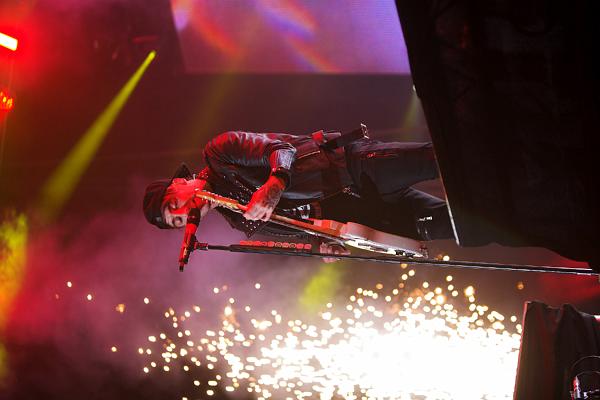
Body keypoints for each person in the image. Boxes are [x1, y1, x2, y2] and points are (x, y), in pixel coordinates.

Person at [143, 126, 454, 259]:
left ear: (179, 182)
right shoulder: (239, 220)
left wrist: (274, 185)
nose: (183, 213)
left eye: (175, 204)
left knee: (444, 161)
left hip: (354, 169)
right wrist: (324, 243)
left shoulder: (219, 153)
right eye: (178, 221)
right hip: (366, 215)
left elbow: (281, 149)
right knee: (453, 225)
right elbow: (303, 226)